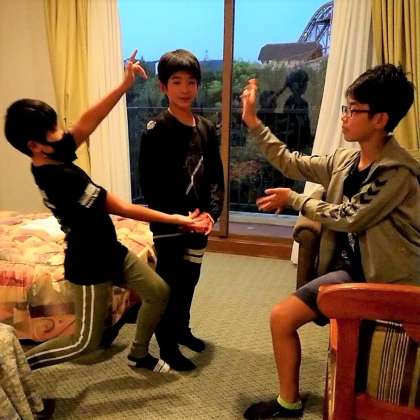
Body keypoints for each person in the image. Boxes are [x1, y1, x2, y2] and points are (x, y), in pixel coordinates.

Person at [240, 64, 420, 418]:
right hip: (354, 269)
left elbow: (350, 215)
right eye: (345, 108)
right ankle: (288, 403)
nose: (344, 116)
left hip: (390, 279)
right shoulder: (346, 160)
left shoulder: (396, 172)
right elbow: (292, 163)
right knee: (282, 317)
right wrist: (253, 122)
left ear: (380, 119)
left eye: (353, 110)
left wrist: (295, 200)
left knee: (288, 316)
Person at [4, 50, 200, 373]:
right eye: (54, 130)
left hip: (109, 249)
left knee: (157, 292)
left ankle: (138, 354)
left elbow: (86, 122)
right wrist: (176, 219)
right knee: (85, 342)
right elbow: (120, 207)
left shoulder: (51, 152)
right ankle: (16, 367)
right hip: (88, 263)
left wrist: (123, 86)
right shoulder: (58, 179)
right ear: (34, 145)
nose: (63, 132)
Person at [139, 49, 224, 371]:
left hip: (199, 222)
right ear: (163, 86)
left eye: (191, 82)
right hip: (170, 224)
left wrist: (211, 214)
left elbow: (215, 175)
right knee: (170, 284)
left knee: (190, 279)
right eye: (176, 82)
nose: (185, 89)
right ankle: (167, 345)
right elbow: (149, 183)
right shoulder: (156, 129)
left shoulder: (206, 128)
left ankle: (182, 329)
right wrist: (180, 219)